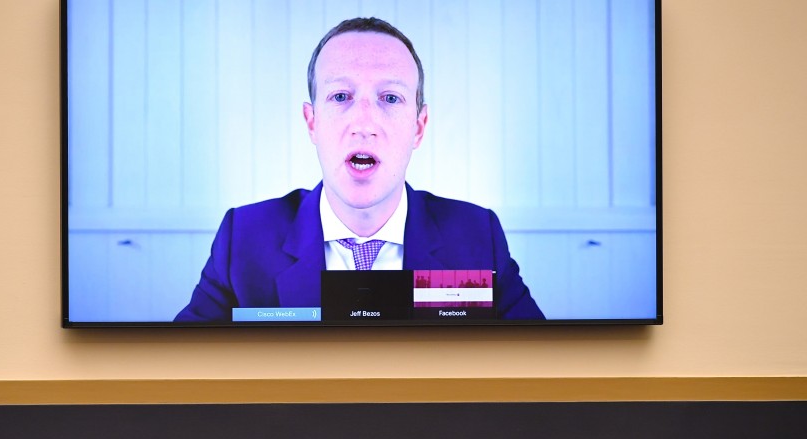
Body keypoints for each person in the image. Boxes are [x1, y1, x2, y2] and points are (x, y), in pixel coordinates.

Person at [176, 17, 543, 322]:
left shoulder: (478, 238)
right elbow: (181, 374)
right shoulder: (243, 240)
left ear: (419, 126)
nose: (364, 122)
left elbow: (538, 370)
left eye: (390, 98)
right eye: (340, 96)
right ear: (312, 122)